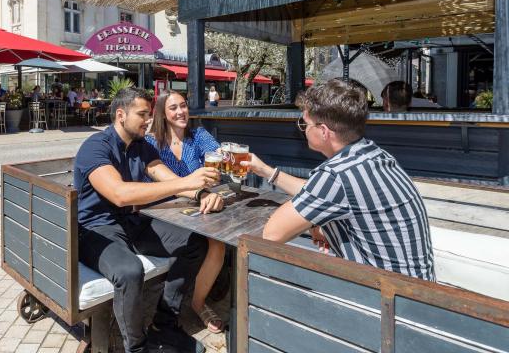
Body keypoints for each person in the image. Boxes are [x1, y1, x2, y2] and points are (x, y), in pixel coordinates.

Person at [74, 88, 224, 353]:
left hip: (132, 223)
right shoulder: (95, 146)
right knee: (130, 271)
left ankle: (164, 324)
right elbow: (120, 194)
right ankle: (138, 346)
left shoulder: (141, 145)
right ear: (121, 115)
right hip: (95, 230)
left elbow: (163, 175)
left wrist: (200, 192)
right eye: (142, 114)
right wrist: (187, 182)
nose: (148, 120)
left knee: (194, 243)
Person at [242, 79, 434, 281]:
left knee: (269, 276)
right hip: (416, 293)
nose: (303, 130)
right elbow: (317, 192)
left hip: (385, 300)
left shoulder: (336, 175)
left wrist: (315, 221)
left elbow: (272, 234)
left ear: (323, 131)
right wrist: (265, 171)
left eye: (304, 124)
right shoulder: (374, 155)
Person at [146, 90, 226, 333]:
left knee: (219, 242)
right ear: (162, 113)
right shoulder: (151, 143)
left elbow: (217, 153)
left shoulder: (198, 135)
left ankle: (198, 303)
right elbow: (159, 181)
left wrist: (223, 159)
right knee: (204, 242)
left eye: (183, 106)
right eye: (173, 108)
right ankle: (189, 302)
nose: (181, 112)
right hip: (165, 211)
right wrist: (198, 186)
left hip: (197, 205)